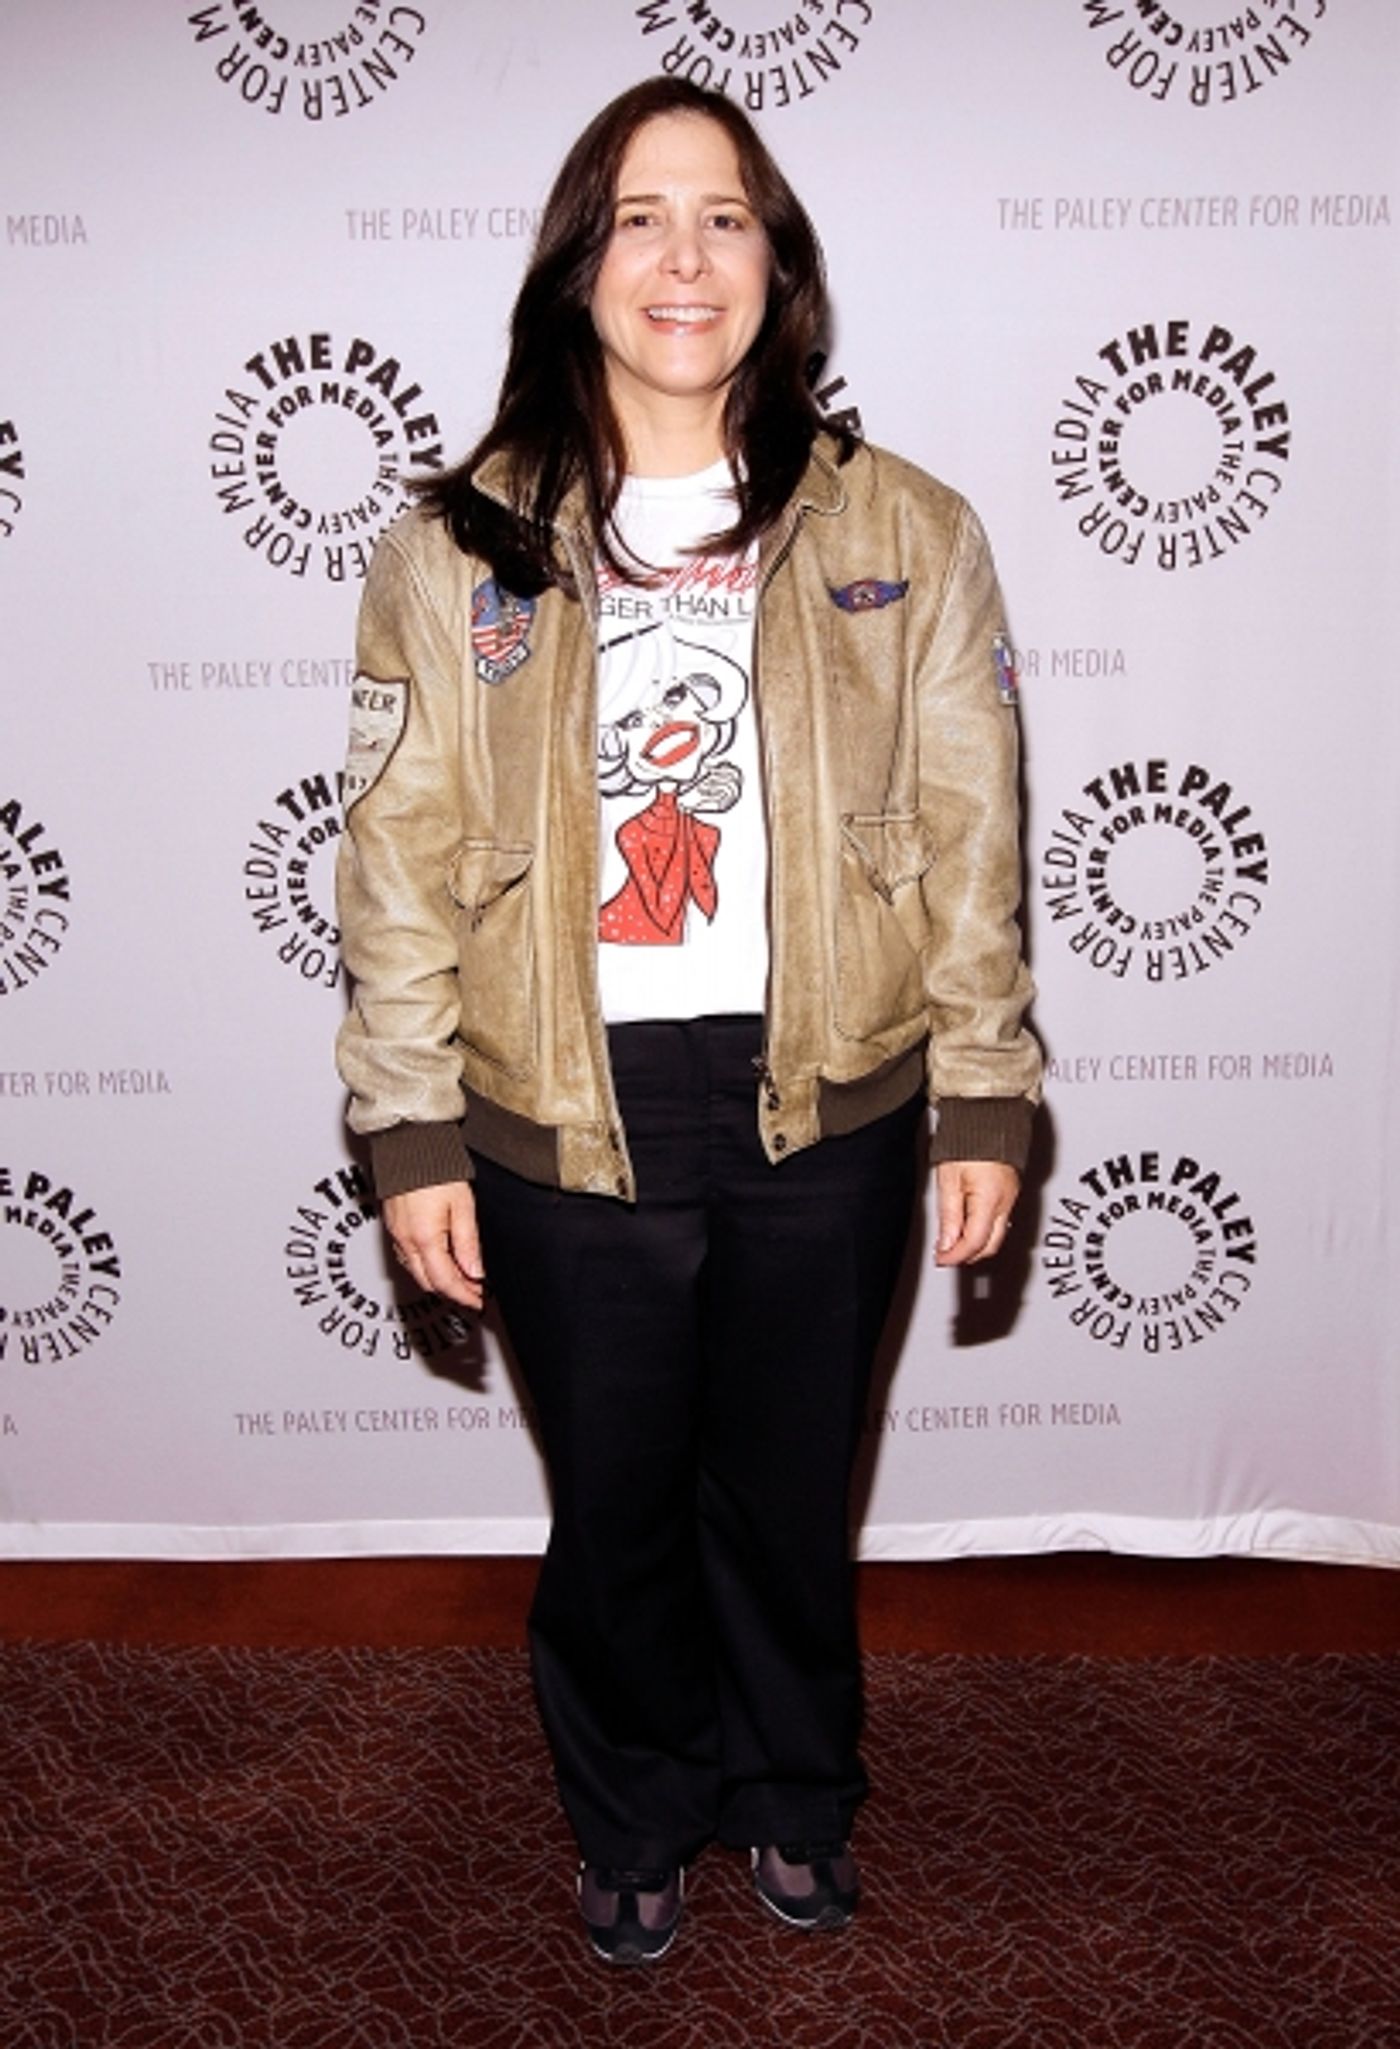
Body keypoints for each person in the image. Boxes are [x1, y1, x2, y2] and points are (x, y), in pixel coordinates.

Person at [336, 75, 1041, 1966]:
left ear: (776, 265)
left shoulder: (906, 525)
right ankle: (637, 1803)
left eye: (726, 216)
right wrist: (408, 1130)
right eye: (644, 215)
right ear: (582, 265)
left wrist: (984, 1093)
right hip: (561, 1104)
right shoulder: (453, 542)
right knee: (621, 1501)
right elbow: (397, 853)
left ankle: (797, 1792)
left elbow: (977, 831)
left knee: (794, 1489)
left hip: (836, 1090)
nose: (685, 256)